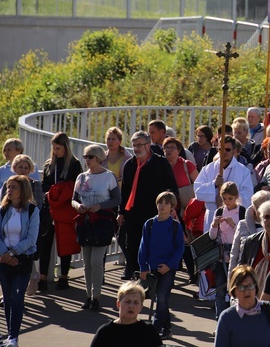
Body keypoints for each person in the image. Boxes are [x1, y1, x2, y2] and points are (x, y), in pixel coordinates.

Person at [118, 131, 179, 280]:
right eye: (134, 145)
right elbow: (125, 191)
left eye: (139, 145)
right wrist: (121, 212)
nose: (136, 148)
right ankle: (138, 275)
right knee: (132, 245)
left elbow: (172, 188)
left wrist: (170, 208)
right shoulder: (130, 165)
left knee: (153, 247)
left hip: (156, 214)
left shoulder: (160, 163)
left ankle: (155, 280)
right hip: (133, 213)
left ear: (148, 145)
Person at [0, 175, 40, 347]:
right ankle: (10, 334)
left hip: (22, 260)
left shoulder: (33, 211)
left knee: (17, 299)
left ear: (23, 191)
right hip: (4, 260)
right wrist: (5, 253)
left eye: (14, 187)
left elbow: (31, 239)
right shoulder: (3, 210)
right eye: (8, 187)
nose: (9, 190)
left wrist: (13, 253)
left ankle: (13, 337)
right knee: (8, 300)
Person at [72, 145, 121, 312]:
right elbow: (74, 199)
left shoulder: (109, 176)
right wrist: (78, 206)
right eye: (85, 156)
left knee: (96, 261)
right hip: (85, 221)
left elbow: (117, 199)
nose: (87, 160)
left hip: (102, 222)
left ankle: (97, 296)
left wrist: (100, 206)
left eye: (90, 157)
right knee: (87, 263)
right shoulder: (81, 177)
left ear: (99, 158)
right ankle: (88, 296)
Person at [38, 132, 83, 291]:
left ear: (66, 147)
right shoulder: (49, 164)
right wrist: (50, 193)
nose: (56, 151)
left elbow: (77, 185)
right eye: (54, 148)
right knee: (45, 242)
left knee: (65, 241)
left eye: (59, 148)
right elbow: (44, 185)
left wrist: (62, 191)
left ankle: (64, 276)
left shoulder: (74, 164)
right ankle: (42, 276)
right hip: (50, 207)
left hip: (65, 208)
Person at [138, 191, 185, 340]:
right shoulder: (149, 224)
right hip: (153, 266)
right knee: (159, 297)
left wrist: (170, 265)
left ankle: (155, 328)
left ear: (172, 207)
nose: (162, 206)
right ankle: (167, 328)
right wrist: (143, 267)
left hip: (168, 268)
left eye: (166, 204)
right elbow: (143, 246)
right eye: (160, 203)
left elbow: (179, 248)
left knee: (162, 296)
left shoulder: (175, 226)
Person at [214, 265, 270, 347]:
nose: (247, 291)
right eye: (241, 287)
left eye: (250, 286)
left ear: (256, 287)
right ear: (233, 291)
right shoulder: (226, 318)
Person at [194, 135, 252, 232]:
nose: (224, 152)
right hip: (213, 215)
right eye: (221, 149)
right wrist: (214, 185)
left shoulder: (243, 171)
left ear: (234, 150)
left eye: (228, 149)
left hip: (233, 216)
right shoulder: (208, 169)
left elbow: (248, 196)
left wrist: (227, 200)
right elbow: (197, 191)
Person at [209, 182, 244, 320]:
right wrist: (214, 225)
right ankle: (220, 318)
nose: (227, 202)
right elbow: (212, 236)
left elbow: (244, 236)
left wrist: (233, 225)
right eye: (224, 198)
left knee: (233, 288)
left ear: (236, 197)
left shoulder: (242, 211)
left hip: (235, 255)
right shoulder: (218, 212)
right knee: (219, 289)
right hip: (220, 256)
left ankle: (233, 318)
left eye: (230, 198)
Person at [90, 281, 163, 347]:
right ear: (118, 304)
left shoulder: (149, 331)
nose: (131, 306)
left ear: (141, 307)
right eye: (127, 301)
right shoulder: (105, 332)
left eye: (136, 302)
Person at [228, 190, 270, 273]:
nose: (260, 211)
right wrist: (231, 280)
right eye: (257, 207)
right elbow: (234, 255)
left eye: (263, 207)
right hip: (246, 274)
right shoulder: (242, 224)